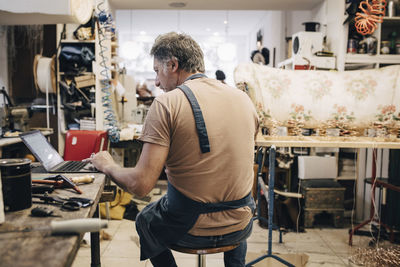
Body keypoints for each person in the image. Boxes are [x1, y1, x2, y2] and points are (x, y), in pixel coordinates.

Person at [88, 32, 259, 267]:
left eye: (157, 71)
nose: (156, 82)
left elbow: (141, 185)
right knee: (236, 211)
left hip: (192, 227)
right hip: (240, 223)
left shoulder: (167, 103)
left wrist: (107, 165)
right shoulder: (244, 99)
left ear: (173, 65)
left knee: (144, 219)